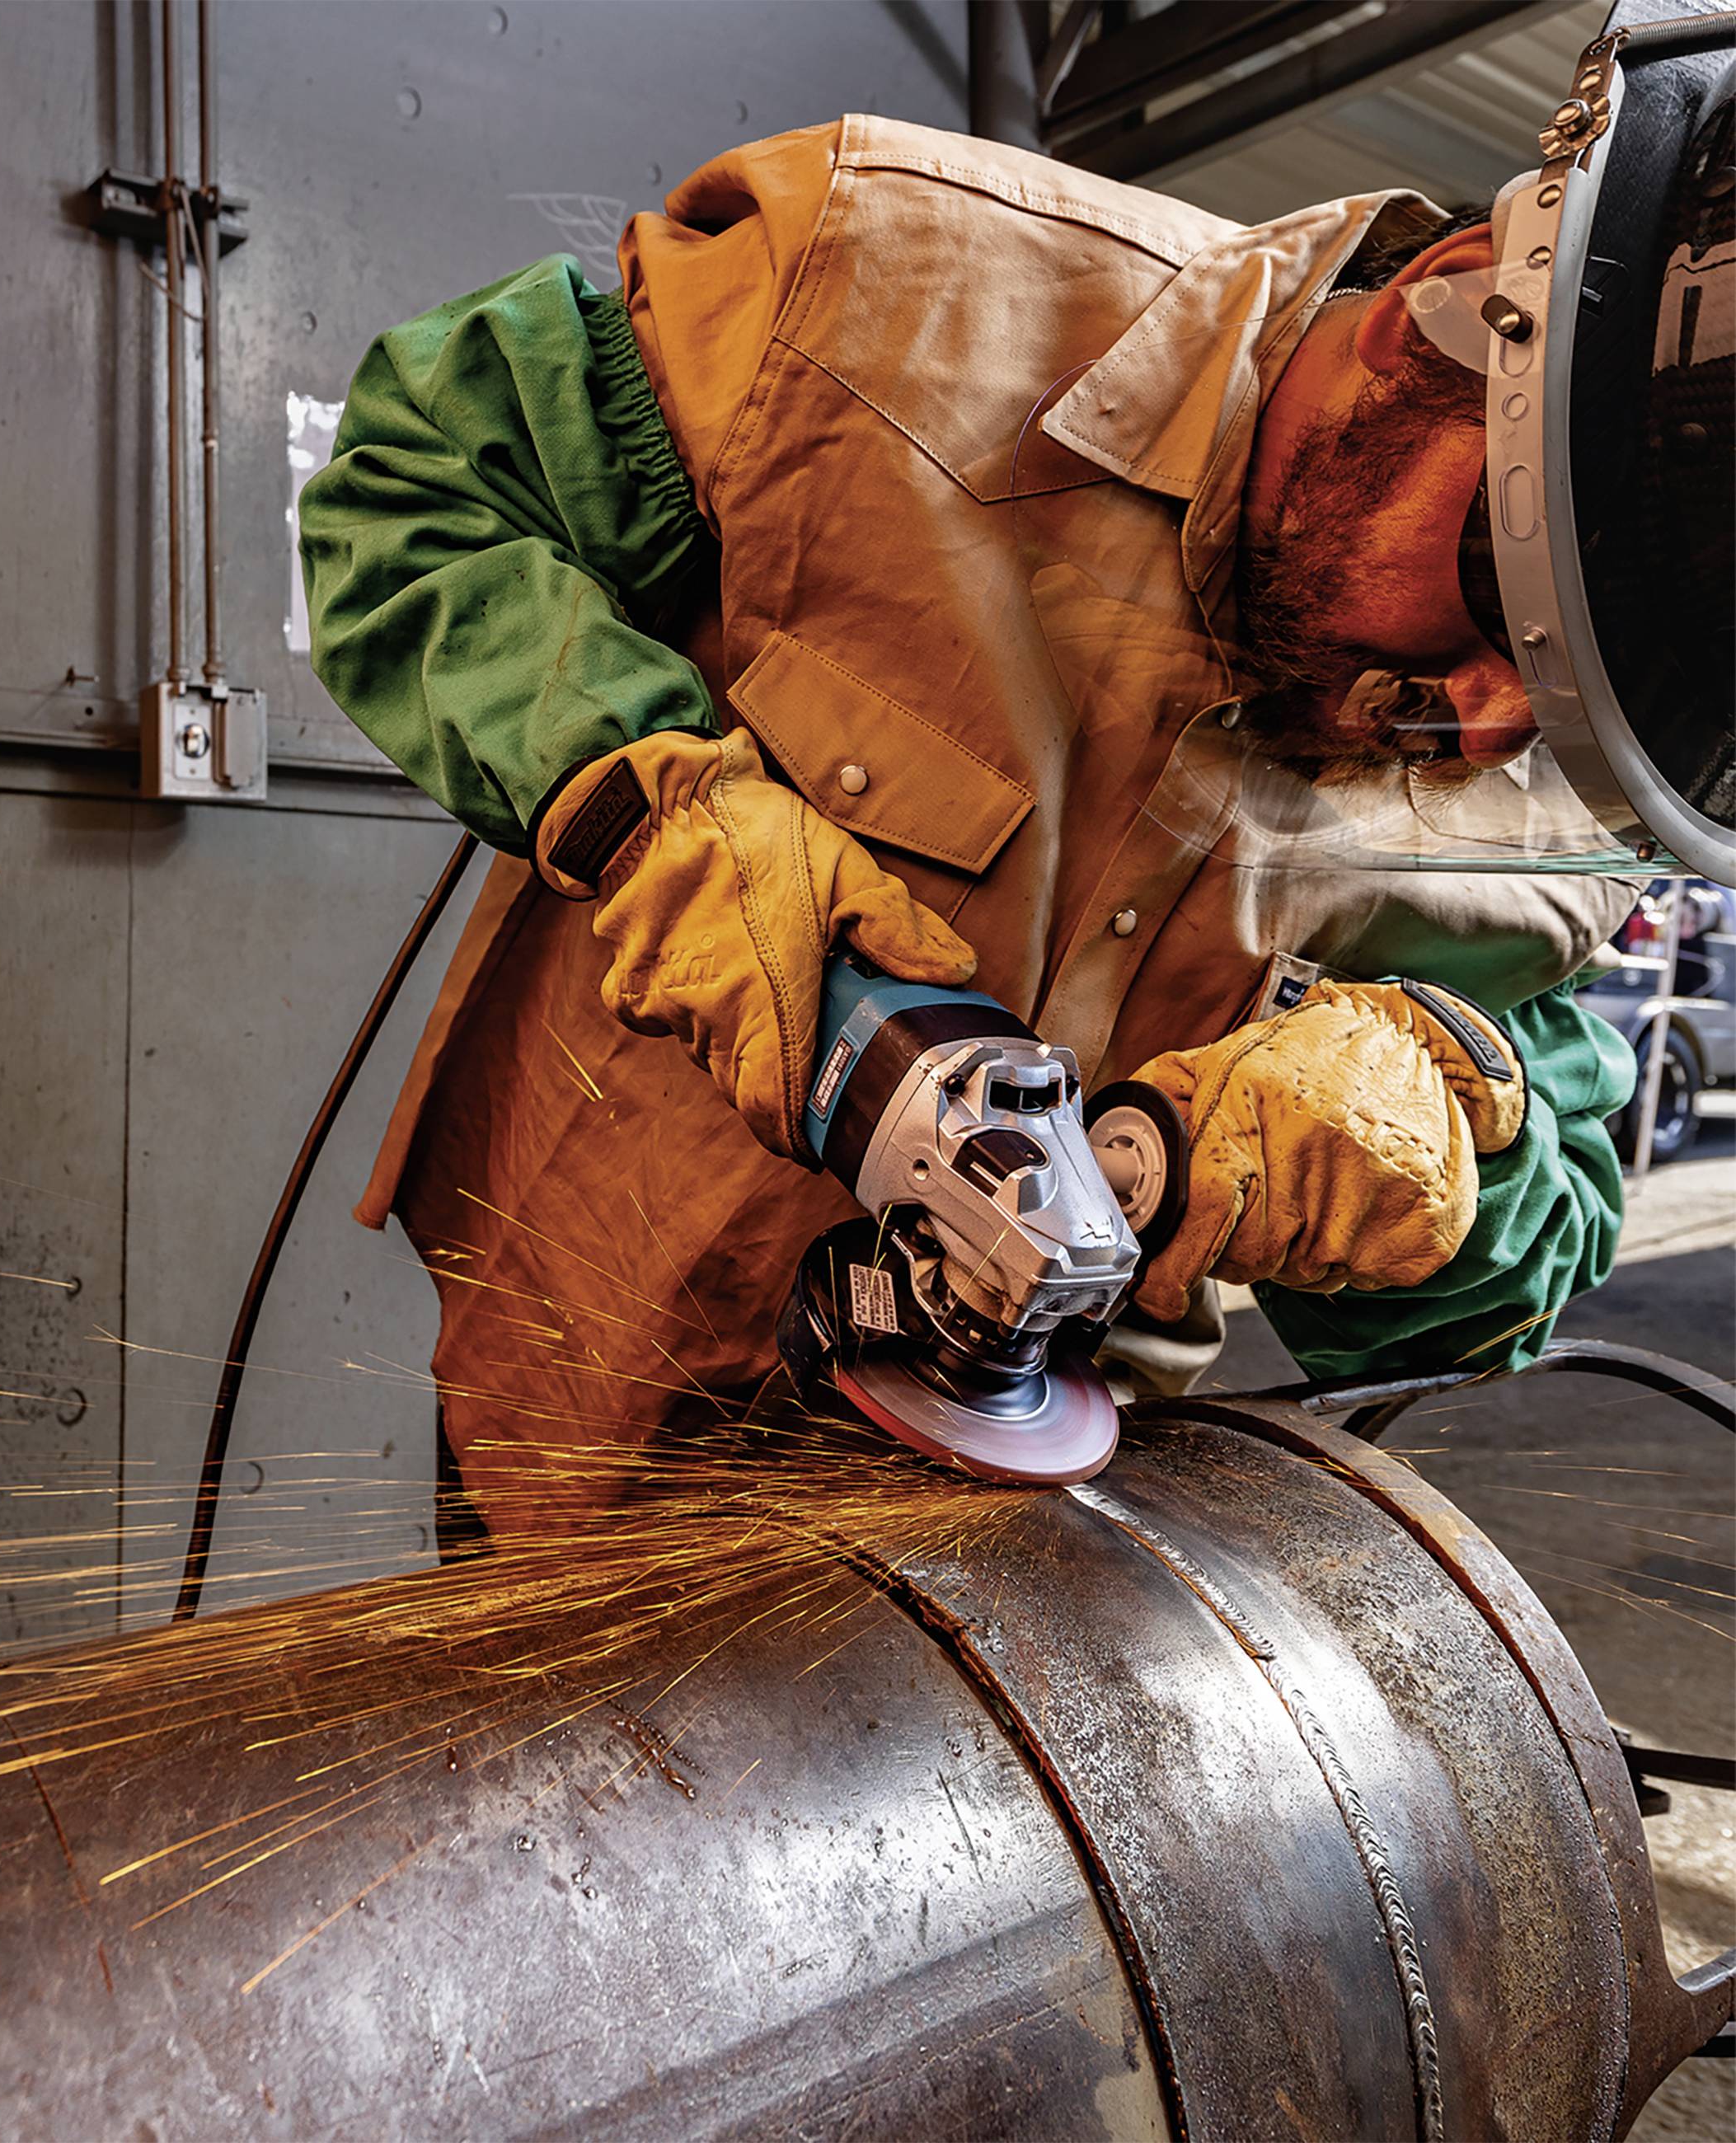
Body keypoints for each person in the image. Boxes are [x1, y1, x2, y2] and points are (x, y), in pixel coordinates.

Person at [296, 114, 1656, 1536]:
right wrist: (662, 818)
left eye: (1579, 690)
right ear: (1429, 327)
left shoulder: (1551, 800)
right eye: (1509, 594)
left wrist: (1445, 1170)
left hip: (1036, 1526)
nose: (1496, 726)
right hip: (590, 1415)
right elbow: (417, 495)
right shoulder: (872, 287)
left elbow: (1514, 1277)